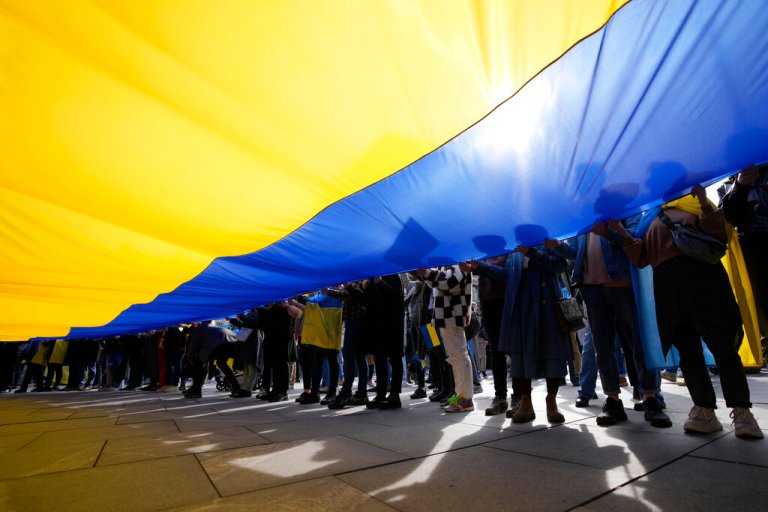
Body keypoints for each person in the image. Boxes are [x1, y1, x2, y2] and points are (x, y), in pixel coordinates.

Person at [612, 184, 763, 439]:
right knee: (688, 353)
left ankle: (743, 413)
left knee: (724, 347)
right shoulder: (650, 217)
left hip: (705, 282)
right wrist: (620, 233)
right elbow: (642, 258)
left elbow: (719, 234)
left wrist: (704, 202)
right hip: (669, 292)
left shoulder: (693, 203)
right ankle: (704, 412)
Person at [561, 218, 671, 428]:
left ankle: (651, 398)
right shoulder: (582, 218)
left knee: (640, 344)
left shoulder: (624, 208)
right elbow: (574, 252)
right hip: (592, 289)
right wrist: (558, 247)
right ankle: (613, 400)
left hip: (623, 285)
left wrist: (609, 233)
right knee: (602, 349)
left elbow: (636, 239)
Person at [467, 239, 571, 423]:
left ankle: (551, 401)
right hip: (521, 306)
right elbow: (507, 275)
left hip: (546, 306)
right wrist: (479, 267)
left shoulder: (547, 241)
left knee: (551, 351)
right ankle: (525, 402)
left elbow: (559, 265)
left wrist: (532, 252)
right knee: (521, 354)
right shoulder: (514, 250)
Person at [416, 264, 474, 413]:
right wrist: (428, 274)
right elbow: (437, 284)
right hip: (447, 319)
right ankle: (460, 397)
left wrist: (428, 273)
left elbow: (450, 283)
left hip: (453, 317)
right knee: (455, 359)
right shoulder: (448, 265)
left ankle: (466, 399)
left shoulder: (458, 263)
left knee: (459, 358)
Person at [722, 164, 768, 350]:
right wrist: (740, 186)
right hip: (750, 247)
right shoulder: (730, 184)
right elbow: (727, 217)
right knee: (759, 303)